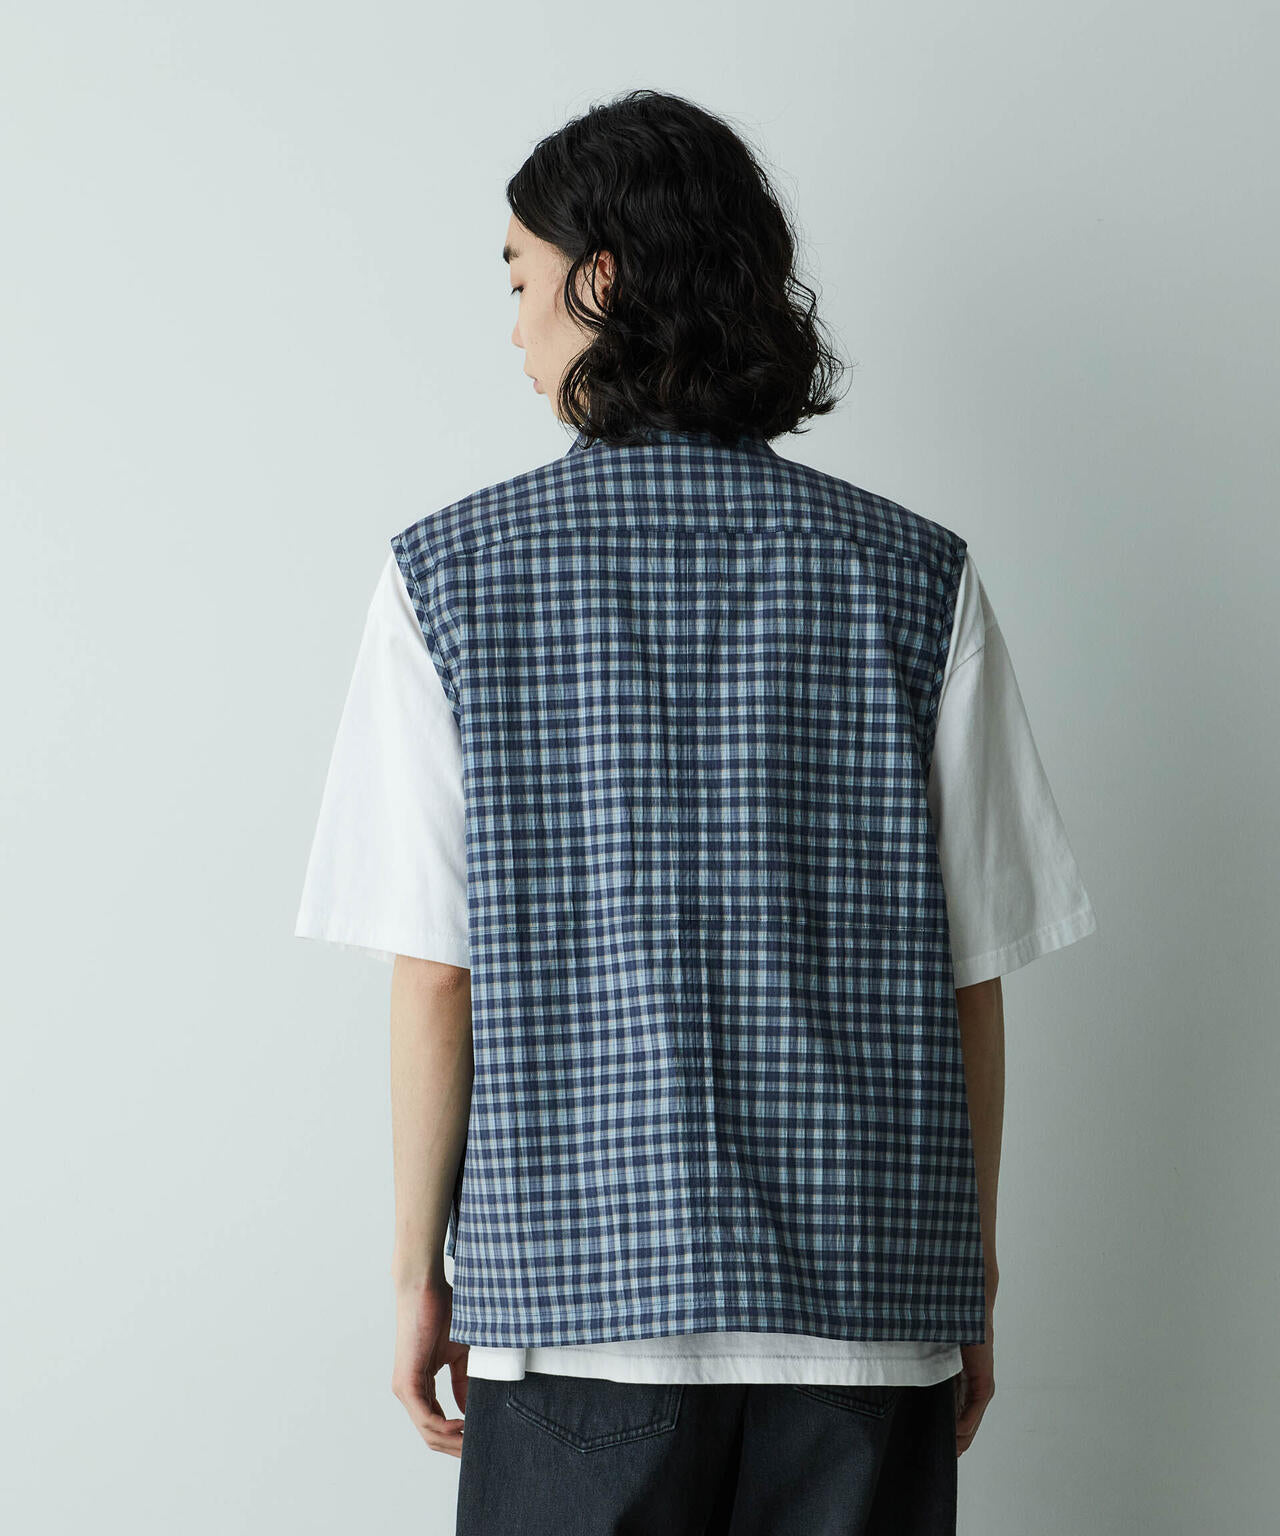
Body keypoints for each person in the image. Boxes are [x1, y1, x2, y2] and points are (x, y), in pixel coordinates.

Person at [294, 88, 1097, 1536]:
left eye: (521, 280)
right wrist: (966, 1278)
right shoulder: (916, 577)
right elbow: (971, 973)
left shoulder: (448, 582)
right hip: (864, 1310)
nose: (513, 325)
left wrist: (421, 1277)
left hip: (575, 1312)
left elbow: (437, 976)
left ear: (600, 282)